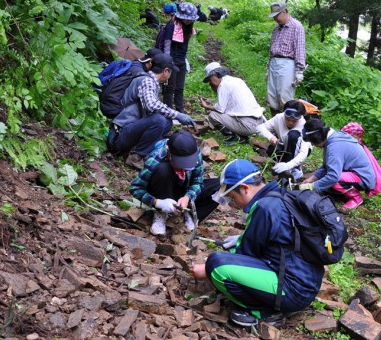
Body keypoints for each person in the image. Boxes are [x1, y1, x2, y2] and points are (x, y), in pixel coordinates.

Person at [190, 159, 324, 327]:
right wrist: (241, 240)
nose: (235, 204)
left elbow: (246, 255)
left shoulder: (263, 207)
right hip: (306, 284)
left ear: (245, 188)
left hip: (291, 290)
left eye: (233, 197)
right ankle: (279, 303)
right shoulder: (281, 195)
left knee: (217, 265)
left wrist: (207, 270)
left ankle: (263, 312)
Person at [107, 53, 196, 170]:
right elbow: (152, 105)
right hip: (118, 137)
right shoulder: (147, 81)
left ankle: (143, 149)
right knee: (158, 120)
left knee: (167, 121)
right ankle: (135, 157)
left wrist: (173, 116)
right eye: (170, 72)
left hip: (128, 132)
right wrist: (177, 114)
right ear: (165, 71)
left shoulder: (151, 81)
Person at [129, 130, 204, 234]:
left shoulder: (194, 153)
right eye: (181, 163)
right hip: (163, 187)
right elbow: (135, 188)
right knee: (163, 170)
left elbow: (198, 182)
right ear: (169, 151)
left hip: (183, 188)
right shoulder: (156, 158)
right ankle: (161, 213)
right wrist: (157, 203)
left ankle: (185, 211)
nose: (185, 166)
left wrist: (187, 197)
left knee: (215, 186)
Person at [299, 119, 376, 209]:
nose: (312, 144)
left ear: (317, 138)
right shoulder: (333, 136)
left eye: (312, 142)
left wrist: (311, 186)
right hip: (352, 172)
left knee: (334, 179)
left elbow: (334, 176)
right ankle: (341, 190)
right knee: (327, 180)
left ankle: (356, 197)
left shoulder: (334, 147)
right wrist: (311, 179)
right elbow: (327, 166)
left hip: (363, 177)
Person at [199, 62, 266, 145]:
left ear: (215, 75)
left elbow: (220, 109)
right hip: (259, 121)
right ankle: (240, 134)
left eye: (210, 79)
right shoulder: (236, 80)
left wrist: (206, 106)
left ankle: (237, 137)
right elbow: (229, 105)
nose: (210, 83)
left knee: (213, 116)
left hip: (248, 125)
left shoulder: (223, 85)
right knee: (220, 113)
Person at [256, 100, 311, 181]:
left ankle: (296, 168)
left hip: (299, 150)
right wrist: (270, 137)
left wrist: (288, 165)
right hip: (285, 146)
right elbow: (259, 128)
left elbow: (303, 152)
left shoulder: (303, 125)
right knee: (272, 149)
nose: (290, 123)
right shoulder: (279, 117)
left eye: (294, 121)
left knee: (293, 135)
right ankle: (284, 164)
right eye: (288, 119)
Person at [266, 2, 306, 115]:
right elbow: (271, 48)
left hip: (287, 63)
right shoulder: (276, 28)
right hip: (274, 63)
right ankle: (275, 123)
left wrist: (299, 71)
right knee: (271, 96)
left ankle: (287, 125)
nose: (275, 19)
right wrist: (268, 67)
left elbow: (300, 49)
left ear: (284, 12)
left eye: (276, 15)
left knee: (285, 97)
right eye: (273, 16)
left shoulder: (297, 27)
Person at [162, 2, 198, 112]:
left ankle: (180, 112)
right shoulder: (172, 25)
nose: (189, 21)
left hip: (182, 60)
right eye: (187, 19)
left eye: (191, 19)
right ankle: (168, 112)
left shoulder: (188, 27)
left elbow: (184, 45)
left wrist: (185, 60)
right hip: (171, 59)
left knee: (179, 88)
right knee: (170, 87)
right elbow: (167, 44)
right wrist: (167, 61)